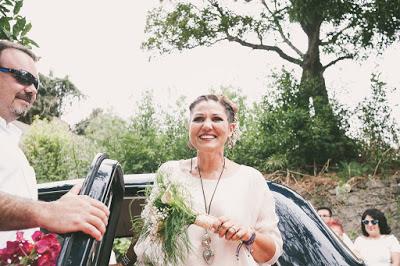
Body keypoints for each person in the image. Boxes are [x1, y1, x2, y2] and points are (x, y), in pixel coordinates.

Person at [129, 94, 283, 265]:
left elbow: (271, 255)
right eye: (198, 119)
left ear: (231, 128)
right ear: (189, 127)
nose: (207, 125)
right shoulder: (169, 173)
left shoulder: (251, 179)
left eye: (216, 119)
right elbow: (150, 238)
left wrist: (248, 234)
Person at [0, 40, 110, 247]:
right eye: (23, 77)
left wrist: (55, 211)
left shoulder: (9, 139)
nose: (32, 90)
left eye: (36, 83)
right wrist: (47, 211)